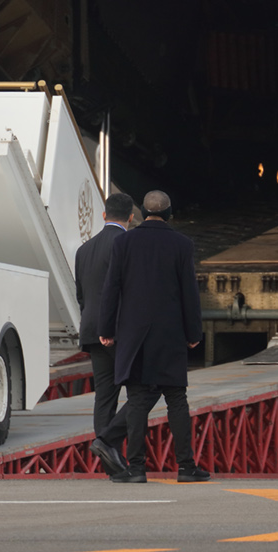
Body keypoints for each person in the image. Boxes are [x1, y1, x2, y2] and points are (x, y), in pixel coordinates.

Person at [98, 190, 211, 484]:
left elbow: (112, 289)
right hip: (170, 335)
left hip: (134, 335)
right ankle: (186, 467)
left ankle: (136, 469)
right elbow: (189, 293)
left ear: (143, 212)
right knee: (176, 399)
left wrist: (106, 330)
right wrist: (193, 332)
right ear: (169, 212)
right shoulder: (181, 244)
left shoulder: (124, 242)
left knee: (136, 400)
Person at [75, 192, 136, 476]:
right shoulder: (128, 244)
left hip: (92, 331)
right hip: (121, 332)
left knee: (105, 397)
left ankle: (110, 464)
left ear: (103, 215)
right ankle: (114, 447)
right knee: (139, 393)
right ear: (131, 218)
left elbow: (82, 296)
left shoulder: (84, 250)